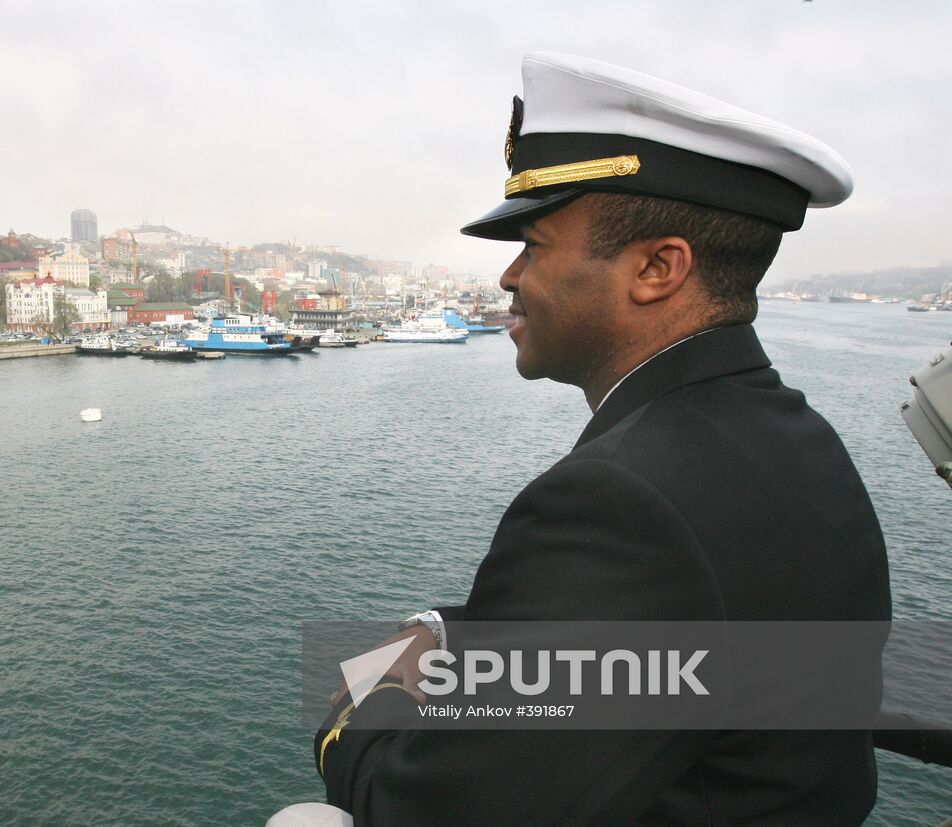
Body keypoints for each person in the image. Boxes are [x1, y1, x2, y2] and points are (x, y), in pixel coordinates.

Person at [303, 53, 891, 825]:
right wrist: (452, 629)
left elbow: (426, 808)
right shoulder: (795, 440)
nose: (509, 276)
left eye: (536, 245)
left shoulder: (623, 501)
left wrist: (371, 686)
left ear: (657, 267)